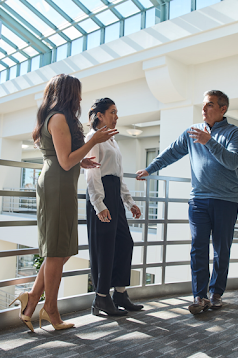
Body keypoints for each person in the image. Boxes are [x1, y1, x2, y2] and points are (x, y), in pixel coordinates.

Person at [9, 74, 118, 331]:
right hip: (56, 186)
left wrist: (83, 160)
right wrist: (93, 142)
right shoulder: (57, 118)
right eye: (77, 93)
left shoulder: (62, 118)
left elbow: (67, 157)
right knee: (58, 250)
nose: (80, 98)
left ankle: (32, 298)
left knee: (64, 248)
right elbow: (64, 161)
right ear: (68, 93)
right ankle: (51, 310)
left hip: (63, 185)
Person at [136, 90, 238, 314]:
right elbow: (171, 153)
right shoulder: (192, 132)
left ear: (223, 109)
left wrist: (210, 142)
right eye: (204, 105)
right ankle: (199, 296)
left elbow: (232, 161)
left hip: (226, 200)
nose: (204, 109)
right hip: (198, 200)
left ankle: (216, 293)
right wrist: (150, 168)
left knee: (221, 250)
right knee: (198, 247)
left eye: (210, 105)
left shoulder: (235, 133)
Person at [84, 98, 143, 316]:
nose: (116, 116)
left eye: (117, 112)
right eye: (112, 112)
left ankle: (119, 293)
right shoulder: (93, 138)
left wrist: (129, 202)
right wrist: (99, 203)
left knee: (124, 243)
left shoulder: (112, 140)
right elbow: (92, 173)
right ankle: (101, 298)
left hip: (114, 194)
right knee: (104, 247)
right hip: (101, 195)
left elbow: (118, 175)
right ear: (99, 115)